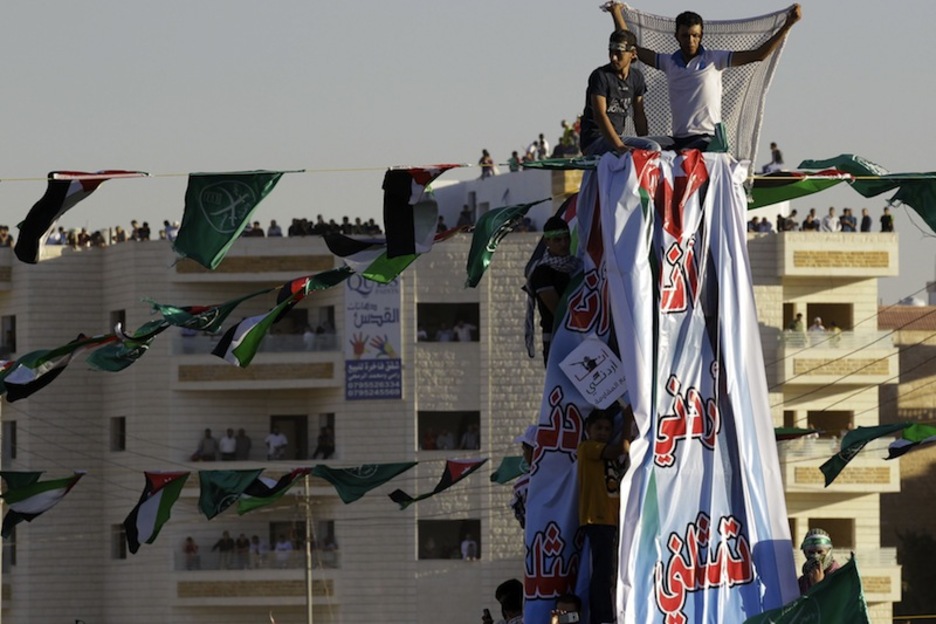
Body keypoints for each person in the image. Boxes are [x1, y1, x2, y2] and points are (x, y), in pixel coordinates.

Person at [609, 2, 802, 150]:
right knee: (645, 148)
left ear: (701, 36)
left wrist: (788, 25)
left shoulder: (714, 59)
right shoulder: (668, 62)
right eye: (685, 35)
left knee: (685, 156)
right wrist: (616, 12)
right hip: (678, 138)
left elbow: (758, 55)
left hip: (706, 138)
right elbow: (632, 47)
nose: (691, 40)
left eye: (695, 35)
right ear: (677, 36)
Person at [578, 406, 631, 624]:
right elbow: (622, 448)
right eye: (598, 427)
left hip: (610, 519)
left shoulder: (603, 449)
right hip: (597, 517)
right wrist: (627, 421)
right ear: (588, 429)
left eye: (607, 428)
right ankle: (601, 617)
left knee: (608, 571)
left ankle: (607, 613)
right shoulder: (587, 447)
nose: (603, 432)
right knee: (602, 572)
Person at [580, 28, 659, 156]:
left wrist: (644, 138)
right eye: (611, 52)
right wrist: (620, 147)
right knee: (651, 147)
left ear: (632, 53)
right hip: (595, 140)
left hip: (617, 139)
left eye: (619, 53)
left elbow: (639, 115)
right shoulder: (601, 76)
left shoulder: (637, 77)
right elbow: (600, 115)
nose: (614, 58)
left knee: (653, 146)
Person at [528, 217, 582, 365]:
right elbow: (559, 311)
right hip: (558, 337)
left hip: (581, 335)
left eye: (566, 239)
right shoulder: (543, 272)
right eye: (557, 240)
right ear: (547, 242)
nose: (563, 244)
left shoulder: (577, 266)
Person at [797, 528, 841, 594]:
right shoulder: (802, 582)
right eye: (811, 552)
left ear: (829, 551)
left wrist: (818, 586)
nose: (815, 556)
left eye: (820, 552)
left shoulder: (839, 578)